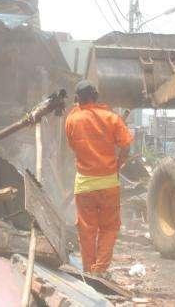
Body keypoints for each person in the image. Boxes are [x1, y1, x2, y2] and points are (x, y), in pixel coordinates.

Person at [65, 80, 133, 275]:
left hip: (84, 185)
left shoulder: (72, 119)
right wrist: (118, 165)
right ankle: (99, 270)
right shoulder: (112, 118)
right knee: (109, 228)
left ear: (77, 99)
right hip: (109, 184)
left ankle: (88, 272)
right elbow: (126, 146)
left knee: (87, 231)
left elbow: (72, 145)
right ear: (96, 96)